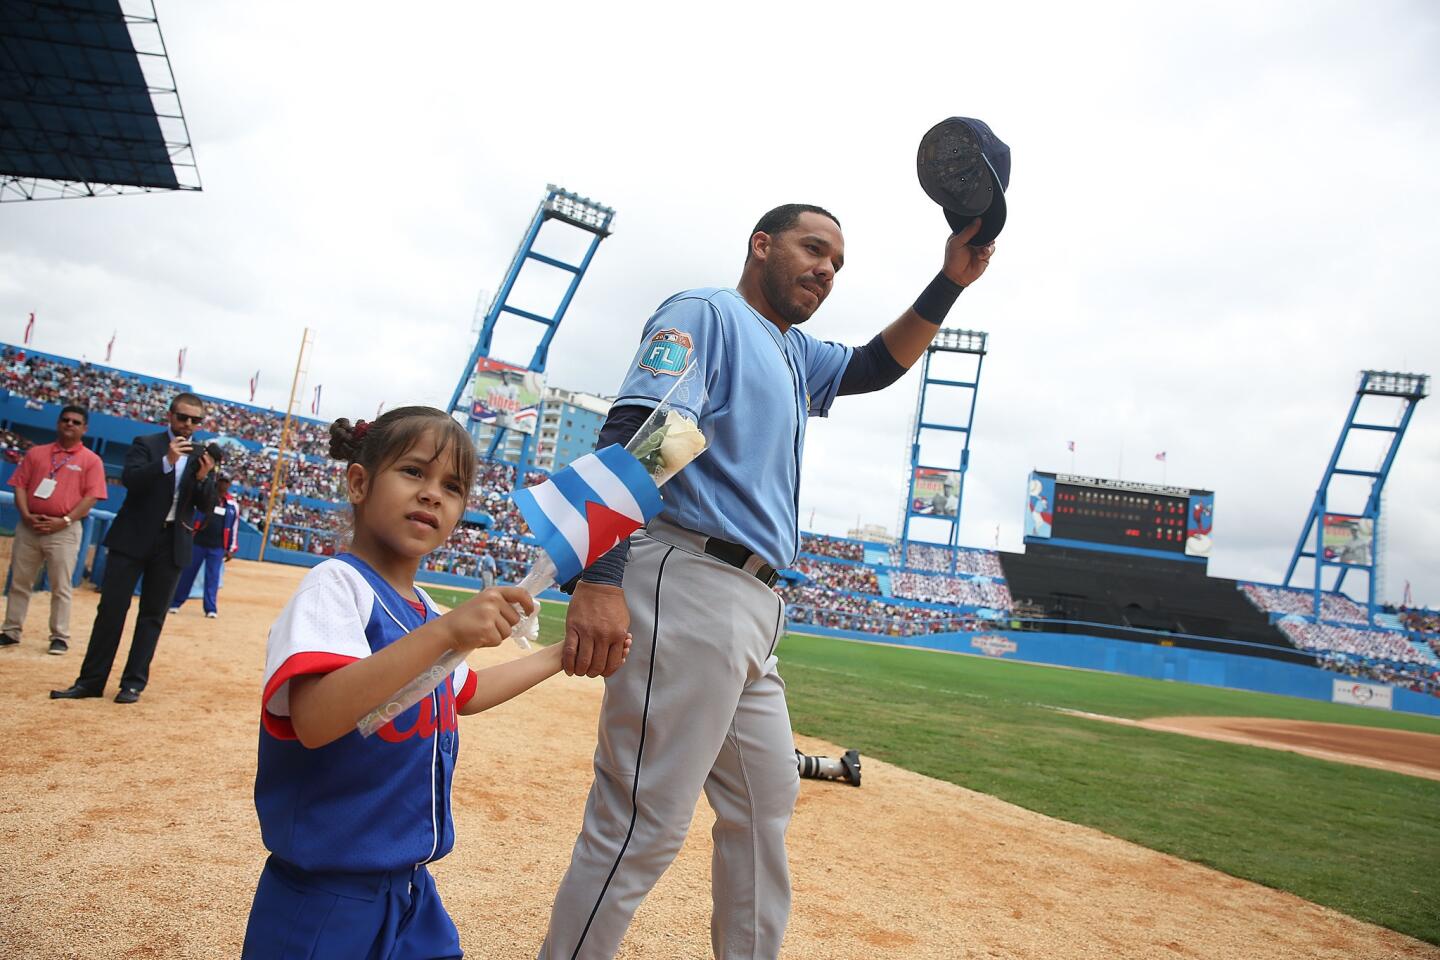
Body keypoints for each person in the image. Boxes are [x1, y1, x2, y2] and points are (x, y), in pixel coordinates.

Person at [539, 203, 998, 959]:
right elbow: (643, 429)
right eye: (813, 248)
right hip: (687, 578)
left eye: (837, 263)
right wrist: (601, 574)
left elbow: (872, 366)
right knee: (639, 826)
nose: (826, 268)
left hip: (754, 606)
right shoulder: (709, 313)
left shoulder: (791, 351)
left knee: (762, 805)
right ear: (761, 246)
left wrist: (949, 281)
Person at [241, 406, 615, 959]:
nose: (432, 494)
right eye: (413, 472)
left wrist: (562, 655)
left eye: (453, 486)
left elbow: (465, 694)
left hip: (411, 891)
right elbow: (315, 719)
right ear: (359, 482)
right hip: (324, 897)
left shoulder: (424, 609)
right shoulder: (336, 586)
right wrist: (446, 632)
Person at [50, 393, 217, 704]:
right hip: (133, 538)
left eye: (196, 421)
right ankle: (90, 681)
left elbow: (206, 506)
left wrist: (205, 477)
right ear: (170, 416)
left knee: (152, 616)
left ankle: (133, 684)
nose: (188, 425)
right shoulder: (147, 443)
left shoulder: (202, 455)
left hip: (171, 544)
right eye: (183, 418)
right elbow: (131, 480)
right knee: (111, 611)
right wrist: (166, 461)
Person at [1, 405, 107, 654]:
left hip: (64, 530)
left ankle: (59, 635)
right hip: (30, 526)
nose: (70, 424)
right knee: (19, 581)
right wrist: (26, 515)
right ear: (58, 423)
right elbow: (19, 485)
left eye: (76, 422)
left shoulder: (91, 460)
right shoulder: (37, 453)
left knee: (61, 586)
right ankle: (11, 630)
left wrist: (66, 521)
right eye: (66, 420)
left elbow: (91, 497)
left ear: (85, 428)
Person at [169, 474, 240, 618]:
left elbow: (234, 527)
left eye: (226, 482)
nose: (223, 484)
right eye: (221, 481)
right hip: (198, 542)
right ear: (217, 482)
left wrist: (231, 548)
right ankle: (175, 603)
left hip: (218, 547)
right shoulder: (207, 497)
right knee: (188, 573)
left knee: (213, 577)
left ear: (229, 485)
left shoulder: (232, 505)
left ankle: (210, 608)